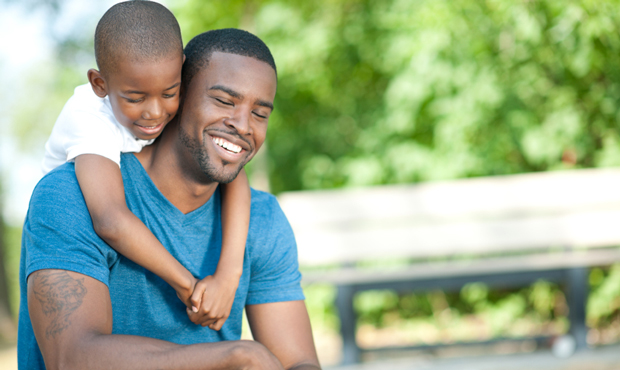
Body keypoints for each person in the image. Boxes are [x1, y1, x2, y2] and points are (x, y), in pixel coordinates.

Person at [18, 26, 321, 369]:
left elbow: (299, 362)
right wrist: (237, 356)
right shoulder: (70, 196)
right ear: (178, 95)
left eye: (260, 113)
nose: (243, 125)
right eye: (224, 101)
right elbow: (71, 359)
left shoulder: (262, 218)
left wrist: (229, 274)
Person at [41, 1, 249, 328]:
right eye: (135, 98)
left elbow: (233, 171)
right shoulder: (89, 117)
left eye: (169, 93)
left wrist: (228, 275)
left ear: (180, 70)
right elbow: (110, 220)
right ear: (100, 84)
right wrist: (188, 285)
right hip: (74, 243)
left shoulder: (168, 93)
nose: (154, 112)